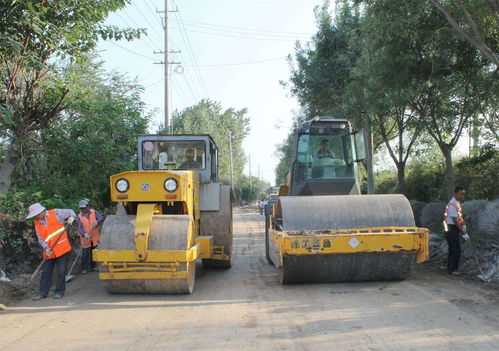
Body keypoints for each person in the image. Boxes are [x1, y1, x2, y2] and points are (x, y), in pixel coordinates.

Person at [26, 203, 76, 300]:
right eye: (34, 215)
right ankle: (42, 293)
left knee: (61, 271)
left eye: (36, 214)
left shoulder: (56, 213)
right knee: (46, 272)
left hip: (62, 249)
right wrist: (46, 247)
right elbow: (40, 238)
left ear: (41, 212)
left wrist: (72, 217)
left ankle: (59, 291)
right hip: (49, 251)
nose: (36, 217)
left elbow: (70, 211)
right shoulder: (37, 223)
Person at [443, 186, 470, 276]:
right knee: (456, 249)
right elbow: (454, 220)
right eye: (460, 194)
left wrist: (463, 225)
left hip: (453, 227)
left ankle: (450, 268)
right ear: (455, 193)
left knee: (453, 248)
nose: (462, 196)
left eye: (463, 194)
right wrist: (463, 233)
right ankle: (453, 269)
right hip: (451, 228)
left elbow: (459, 217)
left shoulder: (456, 203)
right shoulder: (452, 204)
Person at [77, 199, 105, 274]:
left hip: (94, 235)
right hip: (85, 237)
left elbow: (101, 218)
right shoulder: (79, 216)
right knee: (85, 253)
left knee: (94, 251)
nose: (83, 209)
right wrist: (84, 234)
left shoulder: (93, 212)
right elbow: (80, 227)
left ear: (87, 206)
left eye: (84, 207)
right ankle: (84, 268)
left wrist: (97, 221)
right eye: (81, 208)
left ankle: (93, 266)